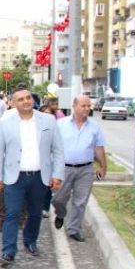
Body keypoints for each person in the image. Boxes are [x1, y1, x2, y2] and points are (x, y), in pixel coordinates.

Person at [0, 88, 64, 267]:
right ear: (14, 103)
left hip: (40, 176)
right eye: (21, 99)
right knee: (12, 214)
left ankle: (30, 241)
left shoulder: (48, 120)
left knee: (35, 213)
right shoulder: (6, 123)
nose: (25, 102)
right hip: (14, 178)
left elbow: (58, 149)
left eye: (28, 98)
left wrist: (57, 174)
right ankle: (8, 251)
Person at [52, 95, 106, 243]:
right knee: (58, 199)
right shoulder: (61, 124)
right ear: (74, 106)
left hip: (86, 169)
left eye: (89, 106)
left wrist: (103, 166)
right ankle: (61, 213)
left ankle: (74, 229)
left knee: (80, 201)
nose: (87, 108)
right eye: (84, 106)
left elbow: (99, 148)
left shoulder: (94, 127)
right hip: (64, 168)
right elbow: (53, 147)